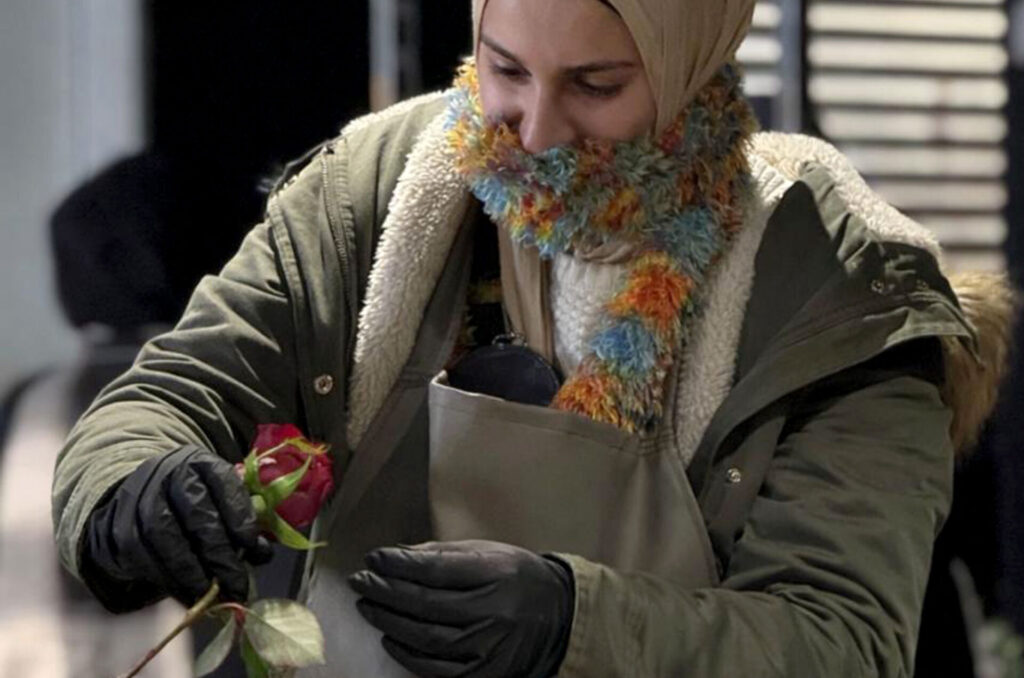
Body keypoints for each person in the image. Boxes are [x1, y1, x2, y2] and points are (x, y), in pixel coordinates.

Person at [52, 0, 1014, 676]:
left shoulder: (834, 290)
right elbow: (171, 393)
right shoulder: (373, 200)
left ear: (692, 62)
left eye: (596, 84)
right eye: (506, 69)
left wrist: (572, 624)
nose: (537, 131)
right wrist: (130, 486)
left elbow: (841, 641)